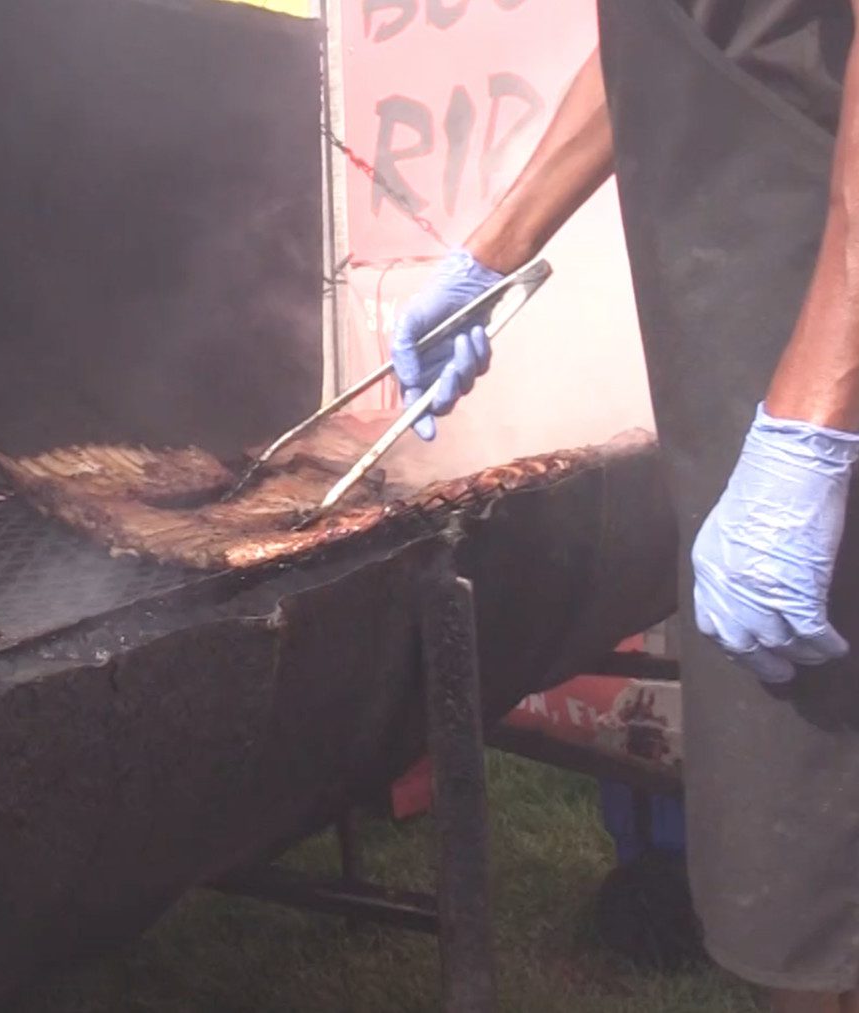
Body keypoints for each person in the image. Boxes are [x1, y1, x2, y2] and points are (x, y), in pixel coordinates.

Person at [389, 4, 859, 1010]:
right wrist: (492, 252)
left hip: (831, 342)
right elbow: (666, 33)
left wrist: (814, 417)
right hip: (752, 356)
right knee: (796, 835)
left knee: (832, 849)